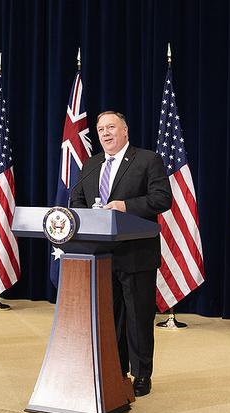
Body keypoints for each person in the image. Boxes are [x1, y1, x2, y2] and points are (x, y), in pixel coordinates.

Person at [69, 111, 172, 396]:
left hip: (136, 253)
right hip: (101, 256)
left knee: (138, 319)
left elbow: (162, 199)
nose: (105, 133)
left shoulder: (147, 159)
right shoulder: (91, 165)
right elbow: (77, 199)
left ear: (125, 130)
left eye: (111, 127)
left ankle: (141, 374)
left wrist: (123, 206)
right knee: (110, 317)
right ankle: (116, 369)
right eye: (100, 129)